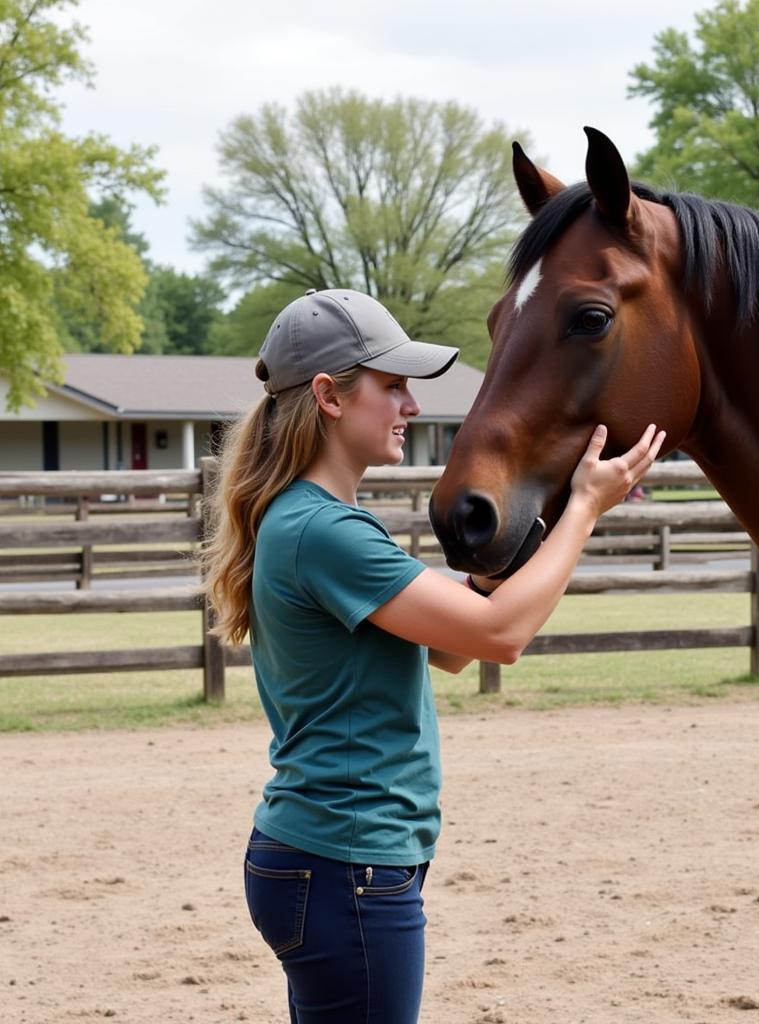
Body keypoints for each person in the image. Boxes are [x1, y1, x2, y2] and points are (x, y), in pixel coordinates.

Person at [201, 287, 664, 1024]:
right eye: (392, 386)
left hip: (330, 859)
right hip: (347, 864)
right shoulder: (326, 532)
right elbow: (499, 637)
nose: (411, 405)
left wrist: (524, 535)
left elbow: (447, 648)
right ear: (329, 396)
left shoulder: (314, 521)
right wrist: (584, 509)